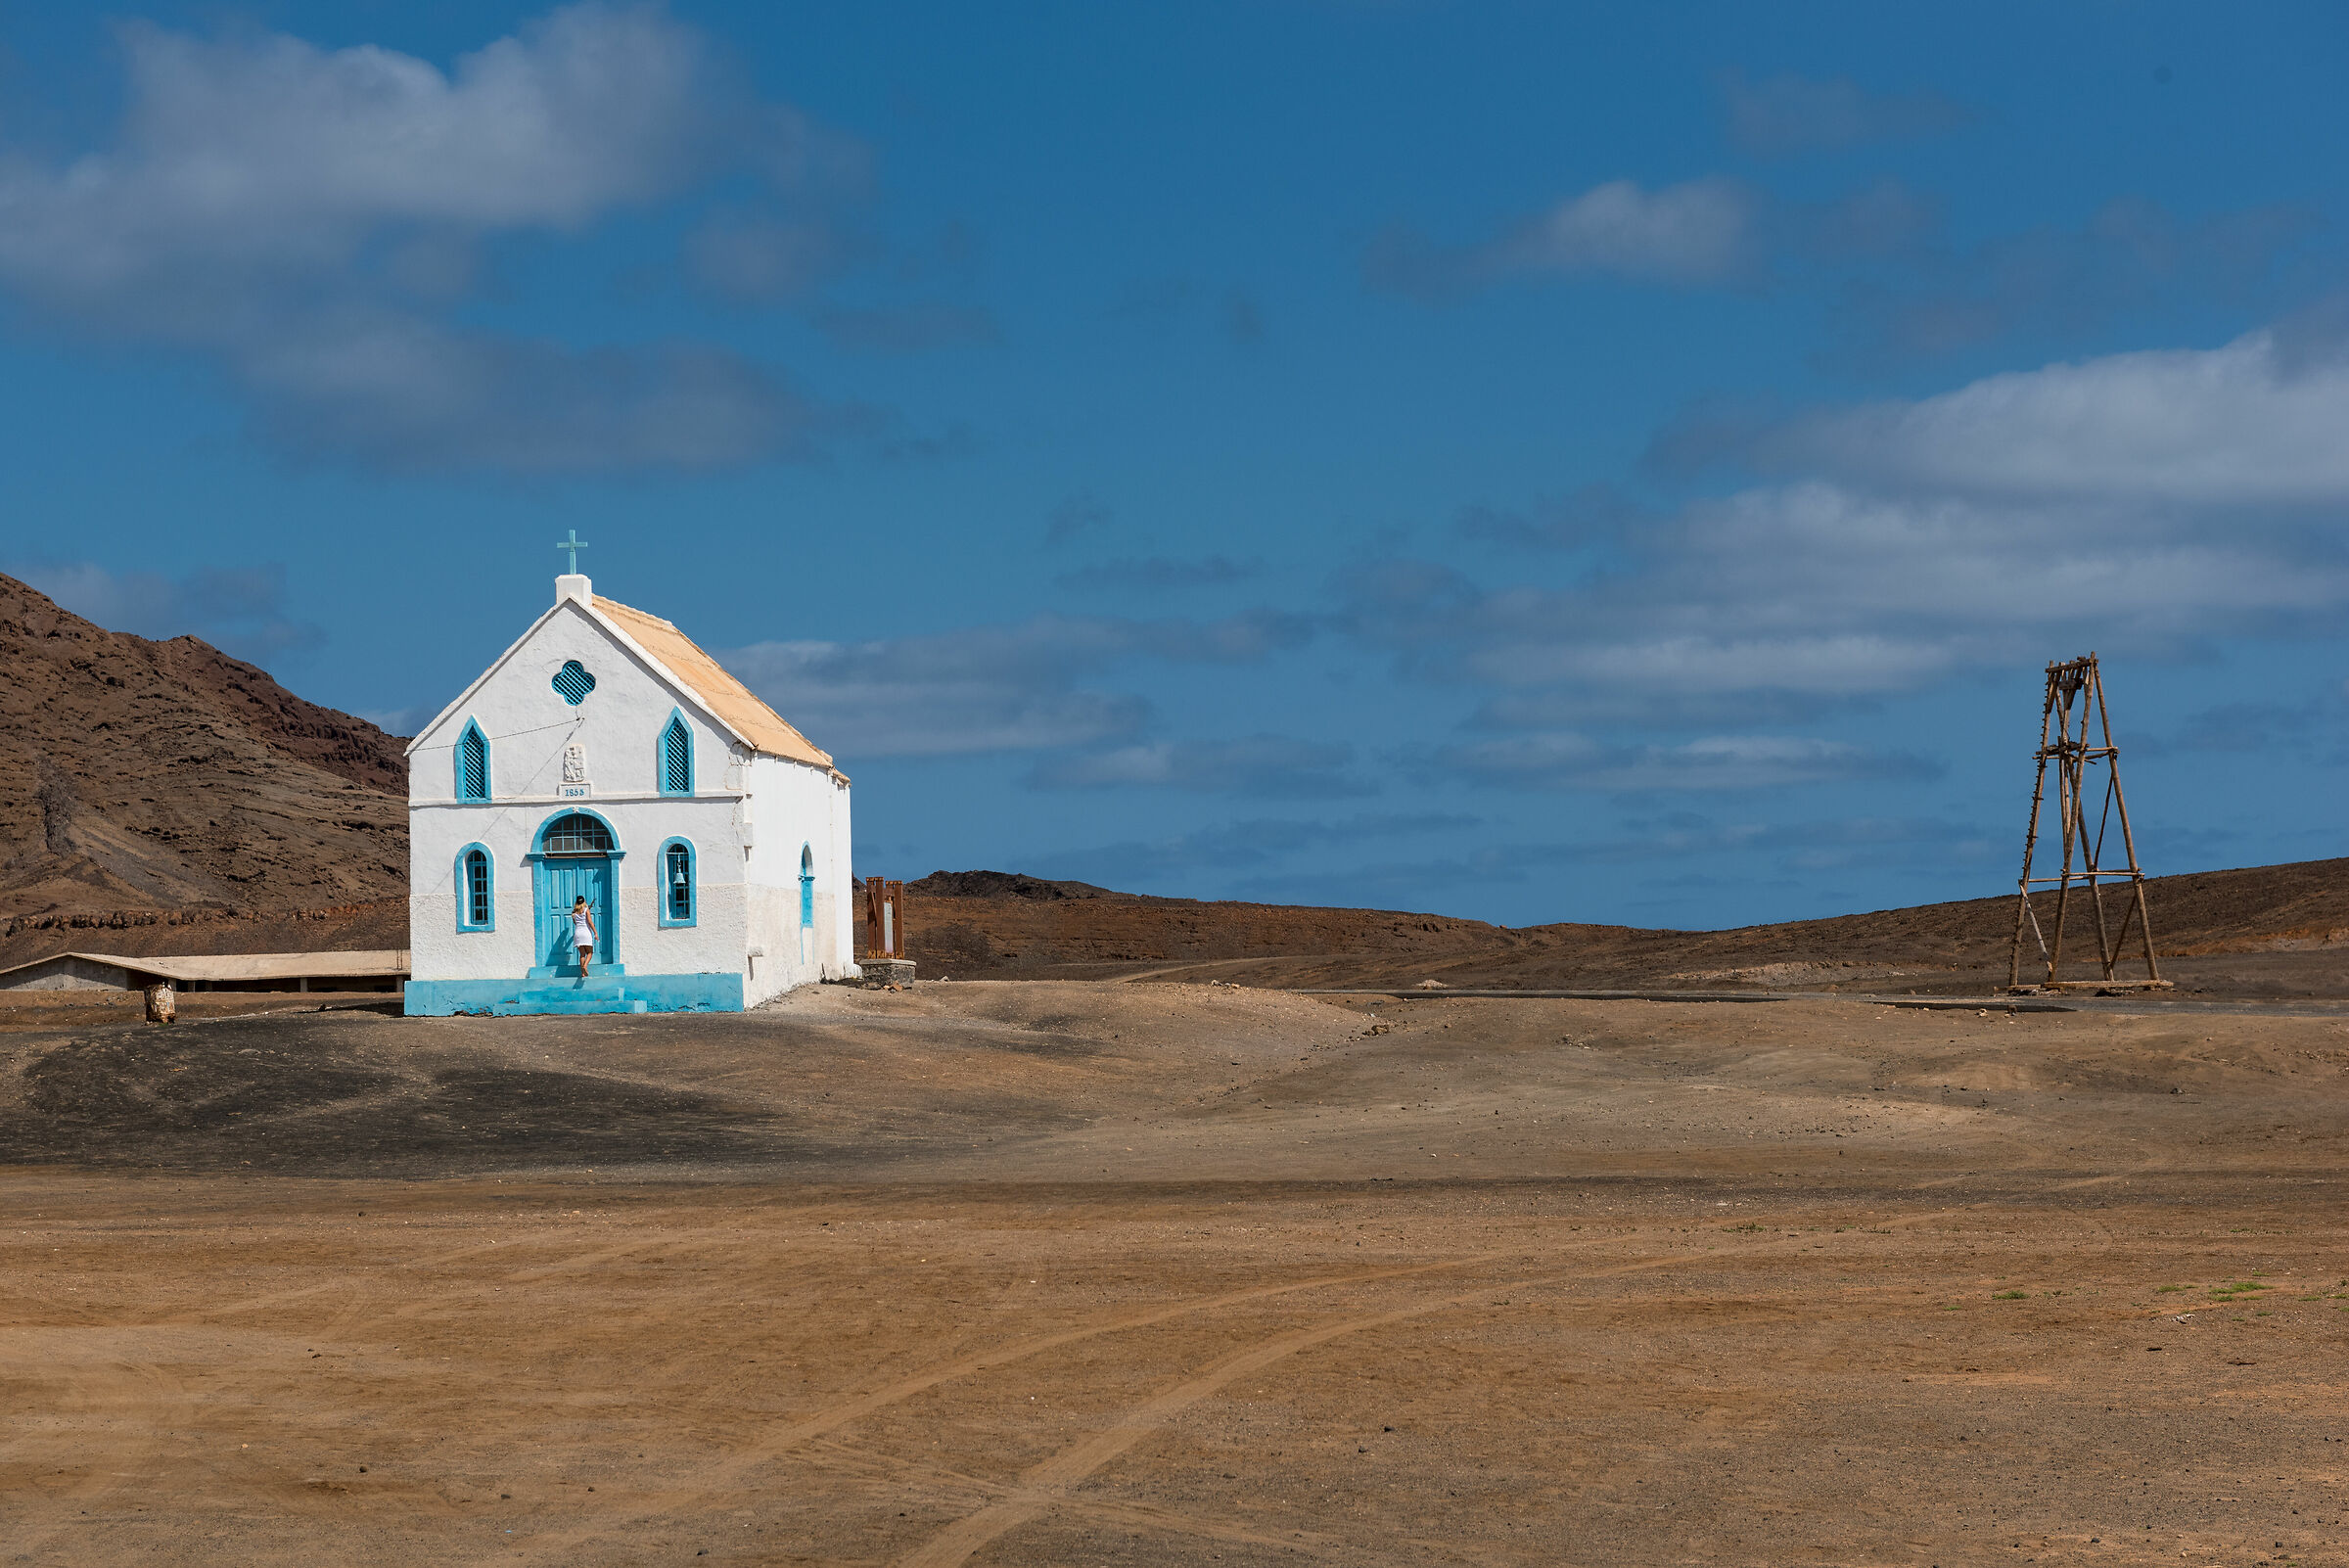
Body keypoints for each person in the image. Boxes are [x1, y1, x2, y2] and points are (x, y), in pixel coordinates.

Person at [571, 895, 597, 976]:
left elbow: (575, 923)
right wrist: (595, 933)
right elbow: (590, 922)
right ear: (584, 901)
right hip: (586, 933)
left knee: (582, 954)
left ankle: (582, 973)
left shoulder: (574, 913)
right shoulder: (586, 910)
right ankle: (585, 966)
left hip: (578, 933)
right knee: (590, 952)